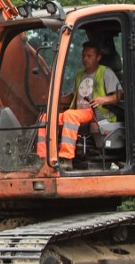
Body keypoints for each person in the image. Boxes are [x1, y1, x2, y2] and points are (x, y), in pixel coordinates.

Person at [38, 41, 122, 169]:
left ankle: (66, 158)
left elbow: (119, 96)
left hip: (97, 114)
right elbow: (73, 97)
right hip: (80, 113)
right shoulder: (79, 75)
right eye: (83, 55)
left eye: (89, 56)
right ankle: (42, 157)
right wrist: (53, 99)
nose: (85, 59)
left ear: (98, 57)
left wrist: (103, 99)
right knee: (45, 118)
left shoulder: (106, 72)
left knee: (70, 115)